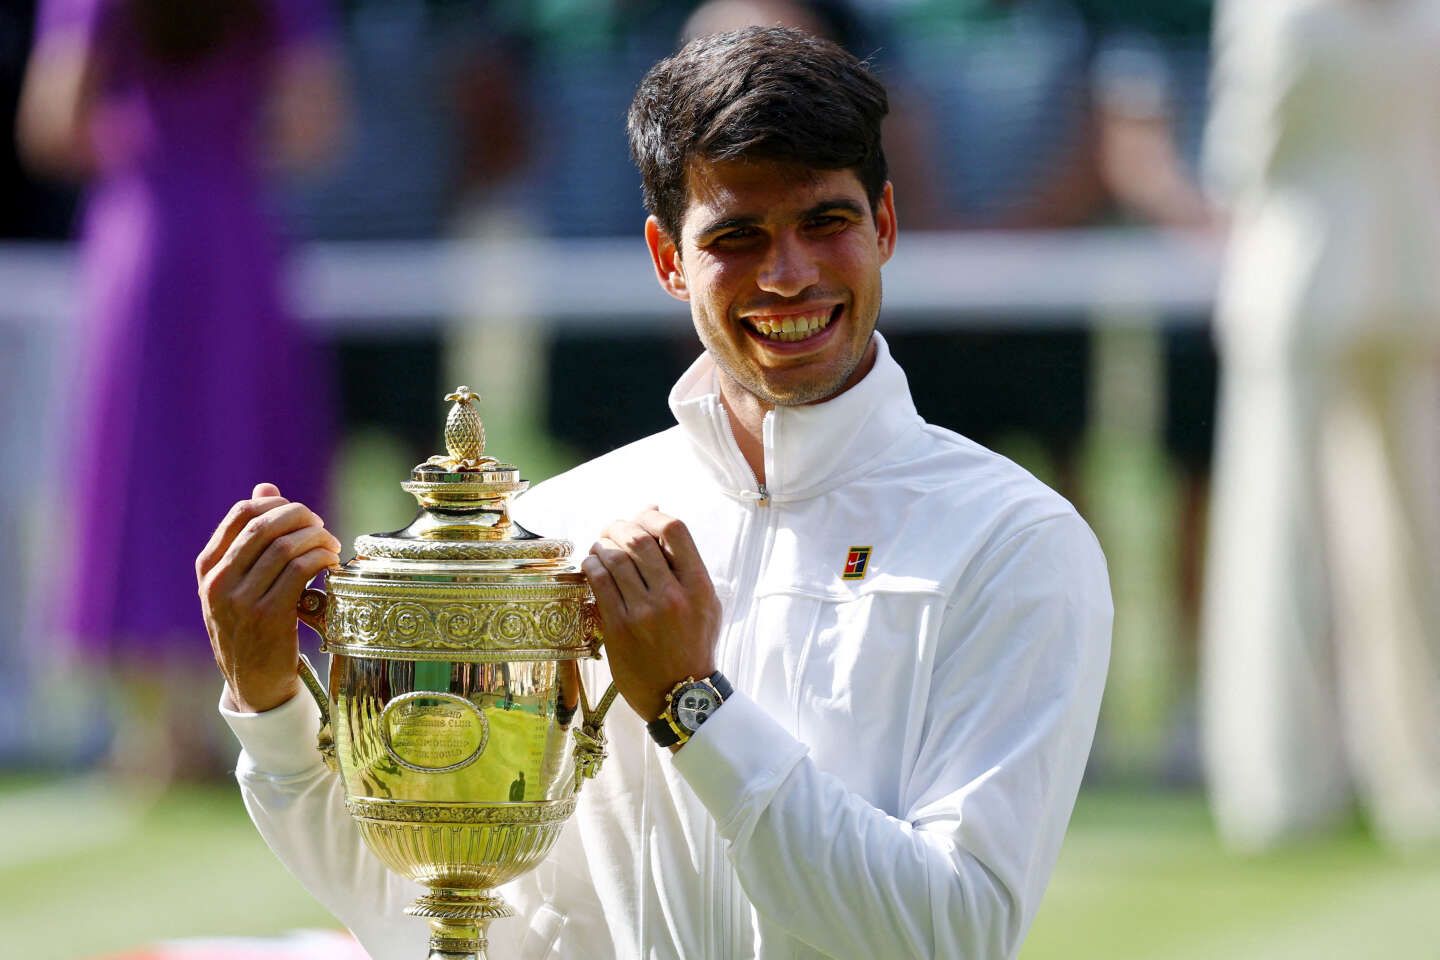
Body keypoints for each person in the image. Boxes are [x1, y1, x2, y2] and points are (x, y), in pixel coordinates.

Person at [198, 26, 1112, 959]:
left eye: (825, 223)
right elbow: (442, 913)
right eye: (737, 236)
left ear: (883, 224)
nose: (788, 273)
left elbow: (951, 932)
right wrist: (271, 706)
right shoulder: (556, 530)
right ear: (668, 259)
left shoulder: (1013, 538)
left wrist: (691, 705)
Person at [19, 0, 344, 780]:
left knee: (139, 467)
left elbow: (51, 124)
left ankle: (150, 727)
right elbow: (312, 126)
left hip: (142, 234)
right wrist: (225, 140)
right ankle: (242, 708)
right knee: (242, 450)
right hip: (235, 234)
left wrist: (141, 135)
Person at [1201, 0, 1440, 852]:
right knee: (1416, 542)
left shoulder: (1280, 16)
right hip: (1414, 274)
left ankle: (1283, 784)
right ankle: (1418, 783)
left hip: (1302, 275)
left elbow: (1240, 155)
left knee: (1281, 542)